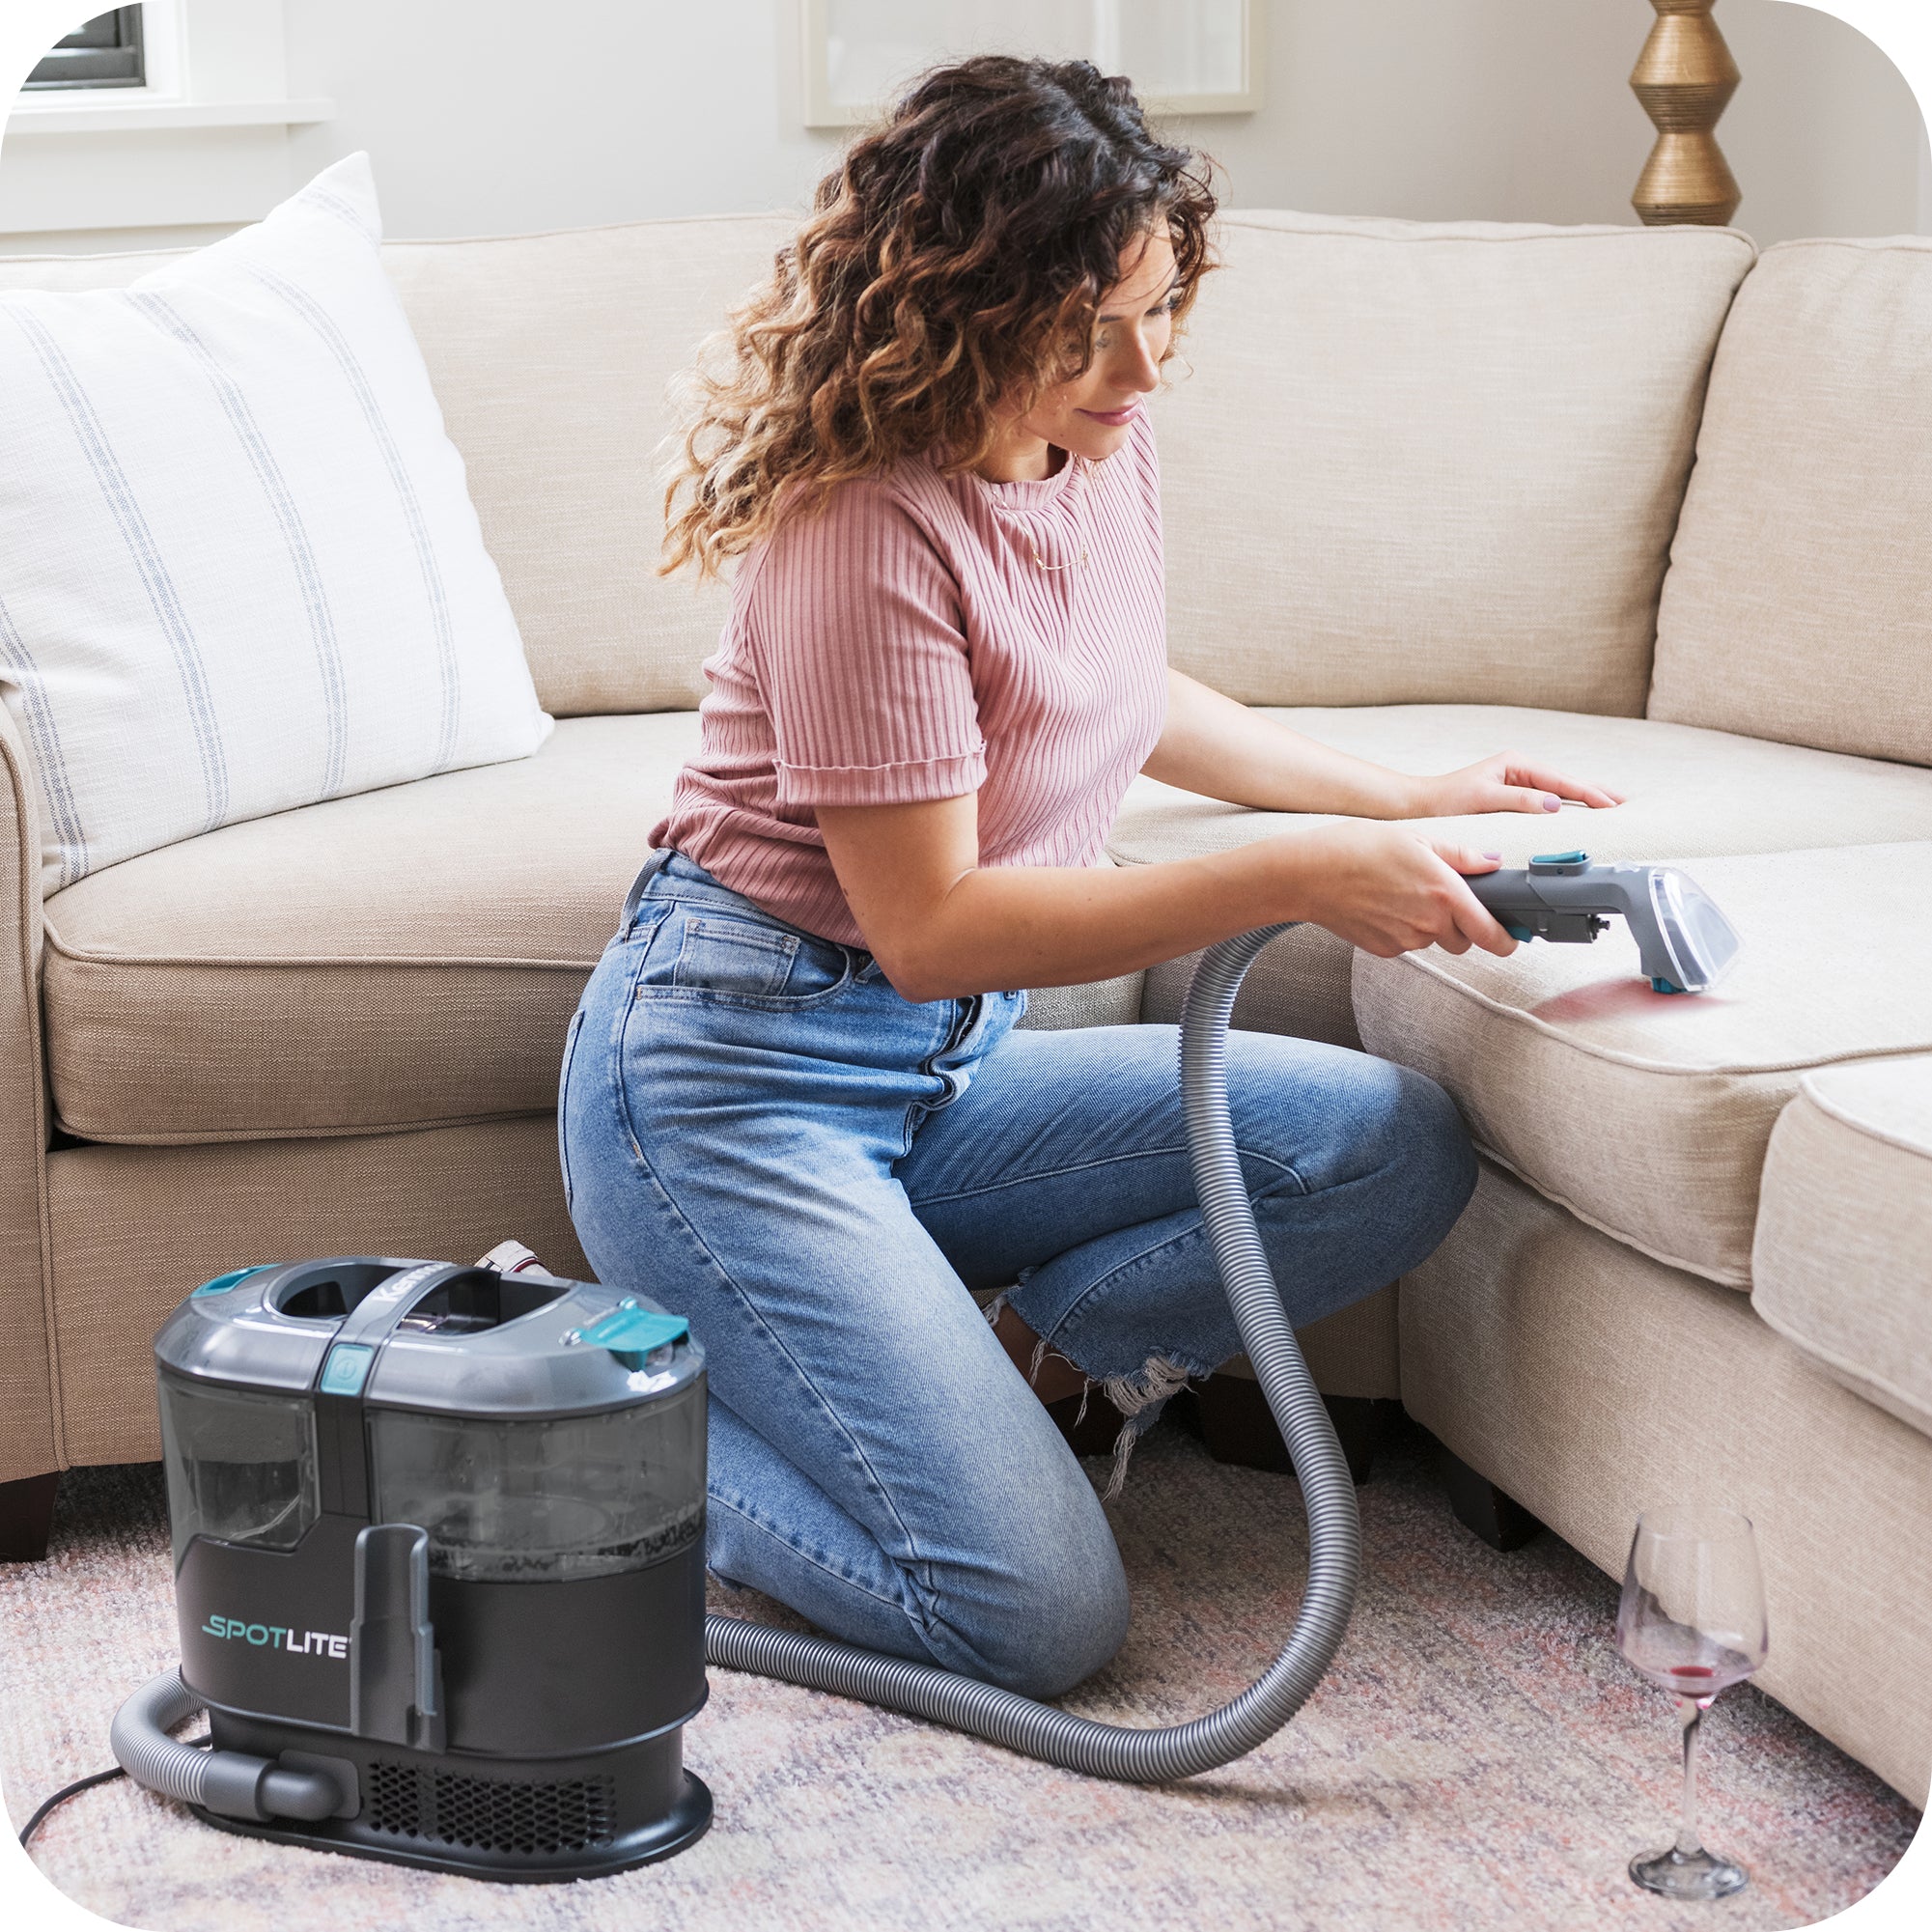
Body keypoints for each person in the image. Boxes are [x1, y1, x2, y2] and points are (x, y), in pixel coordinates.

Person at [560, 56, 1624, 1697]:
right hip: (734, 1089)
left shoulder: (1091, 438)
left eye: (1159, 310)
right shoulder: (860, 527)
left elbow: (1112, 687)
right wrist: (1298, 869)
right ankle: (589, 1438)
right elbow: (932, 926)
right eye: (1086, 329)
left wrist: (1398, 792)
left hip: (942, 1079)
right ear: (963, 310)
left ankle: (1001, 1381)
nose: (1142, 369)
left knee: (1387, 1144)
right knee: (1036, 1621)